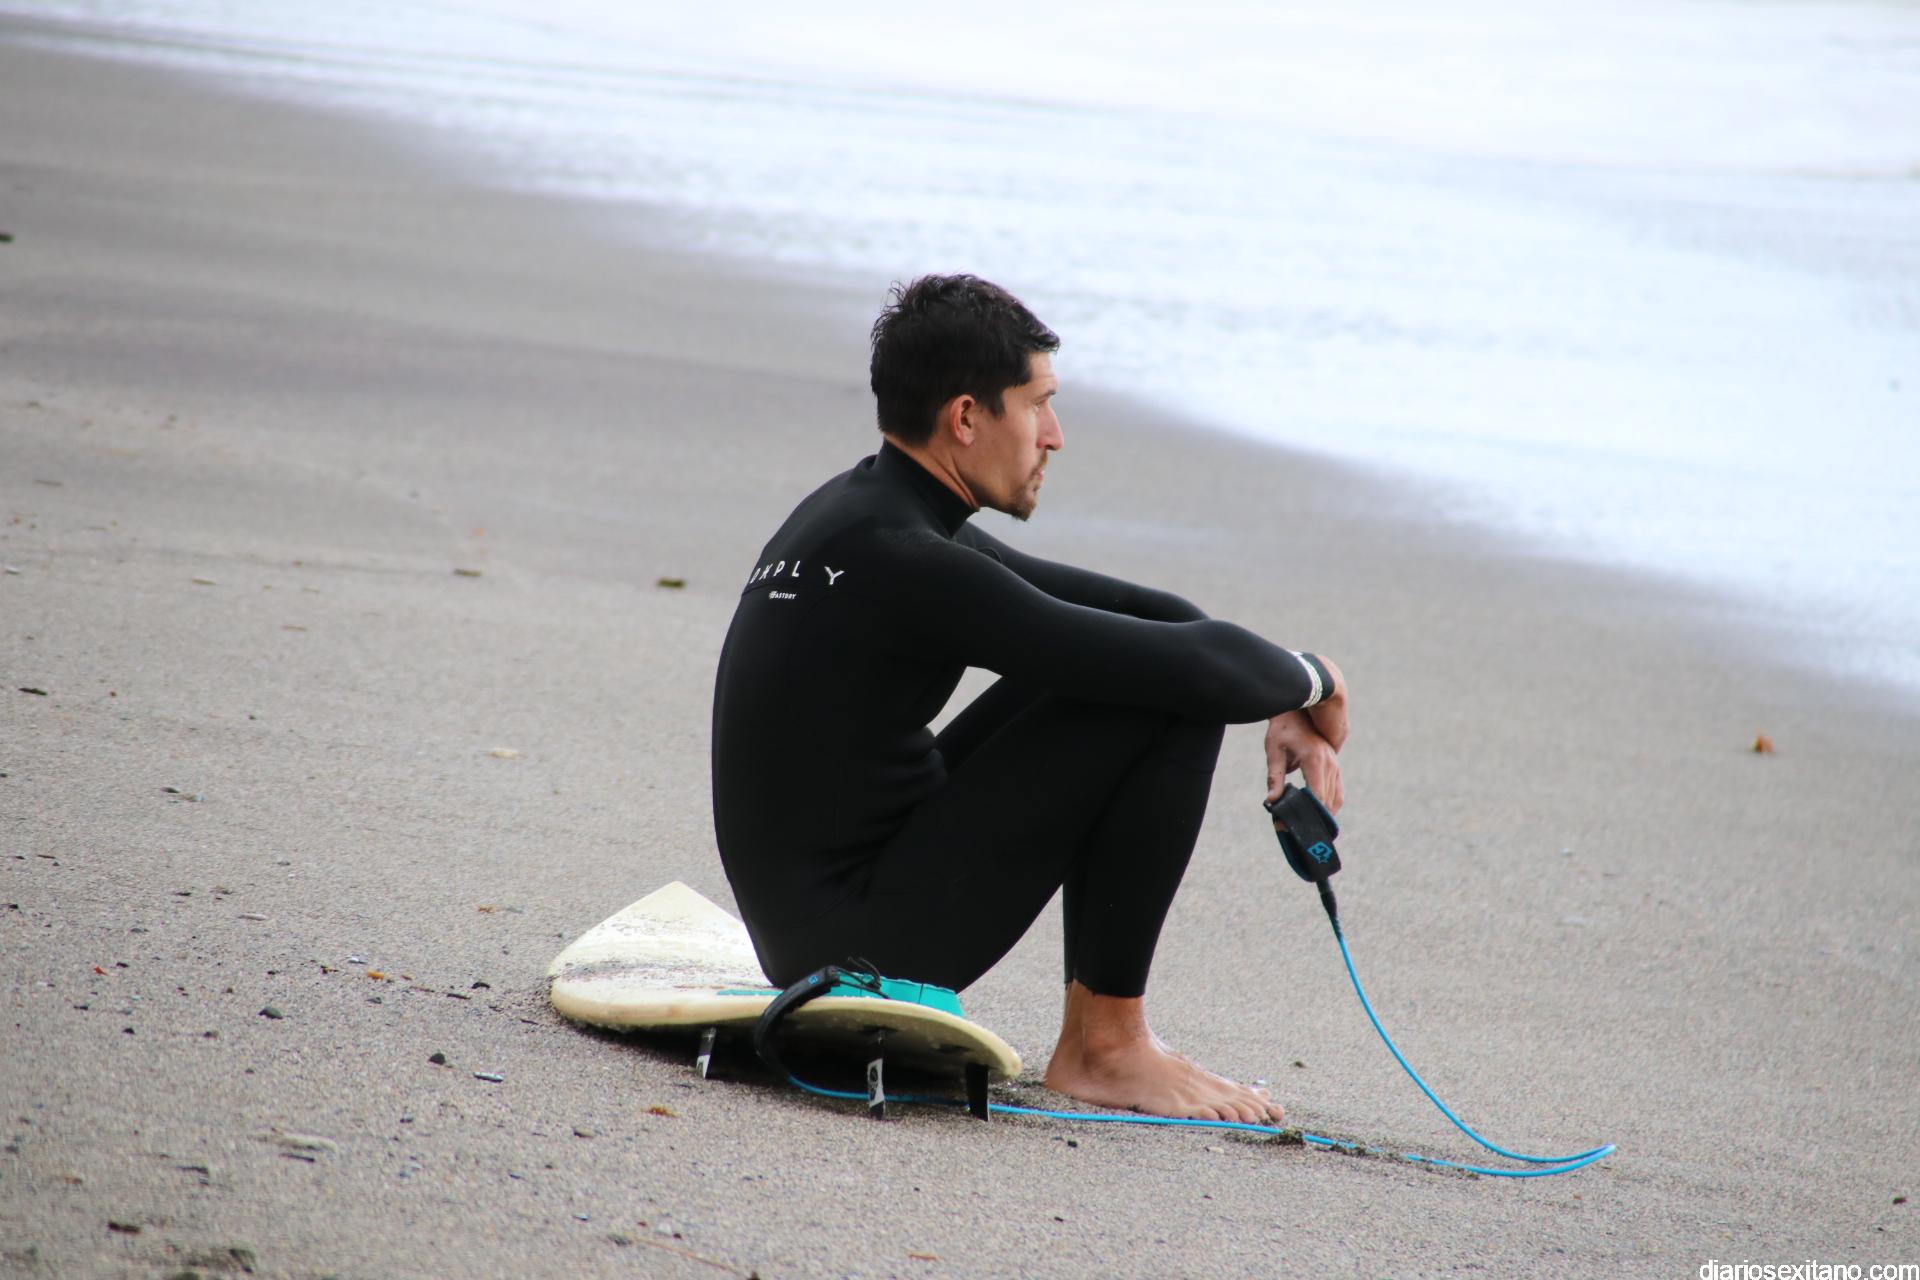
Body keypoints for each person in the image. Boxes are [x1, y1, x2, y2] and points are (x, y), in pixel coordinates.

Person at [710, 274, 1348, 1124]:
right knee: (1168, 693)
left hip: (821, 914)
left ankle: (1107, 1040)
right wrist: (1319, 680)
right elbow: (1197, 669)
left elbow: (1158, 620)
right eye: (1039, 405)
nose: (1055, 436)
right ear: (966, 417)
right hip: (858, 951)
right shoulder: (911, 563)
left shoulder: (867, 515)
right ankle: (1106, 1048)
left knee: (1138, 668)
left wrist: (1279, 691)